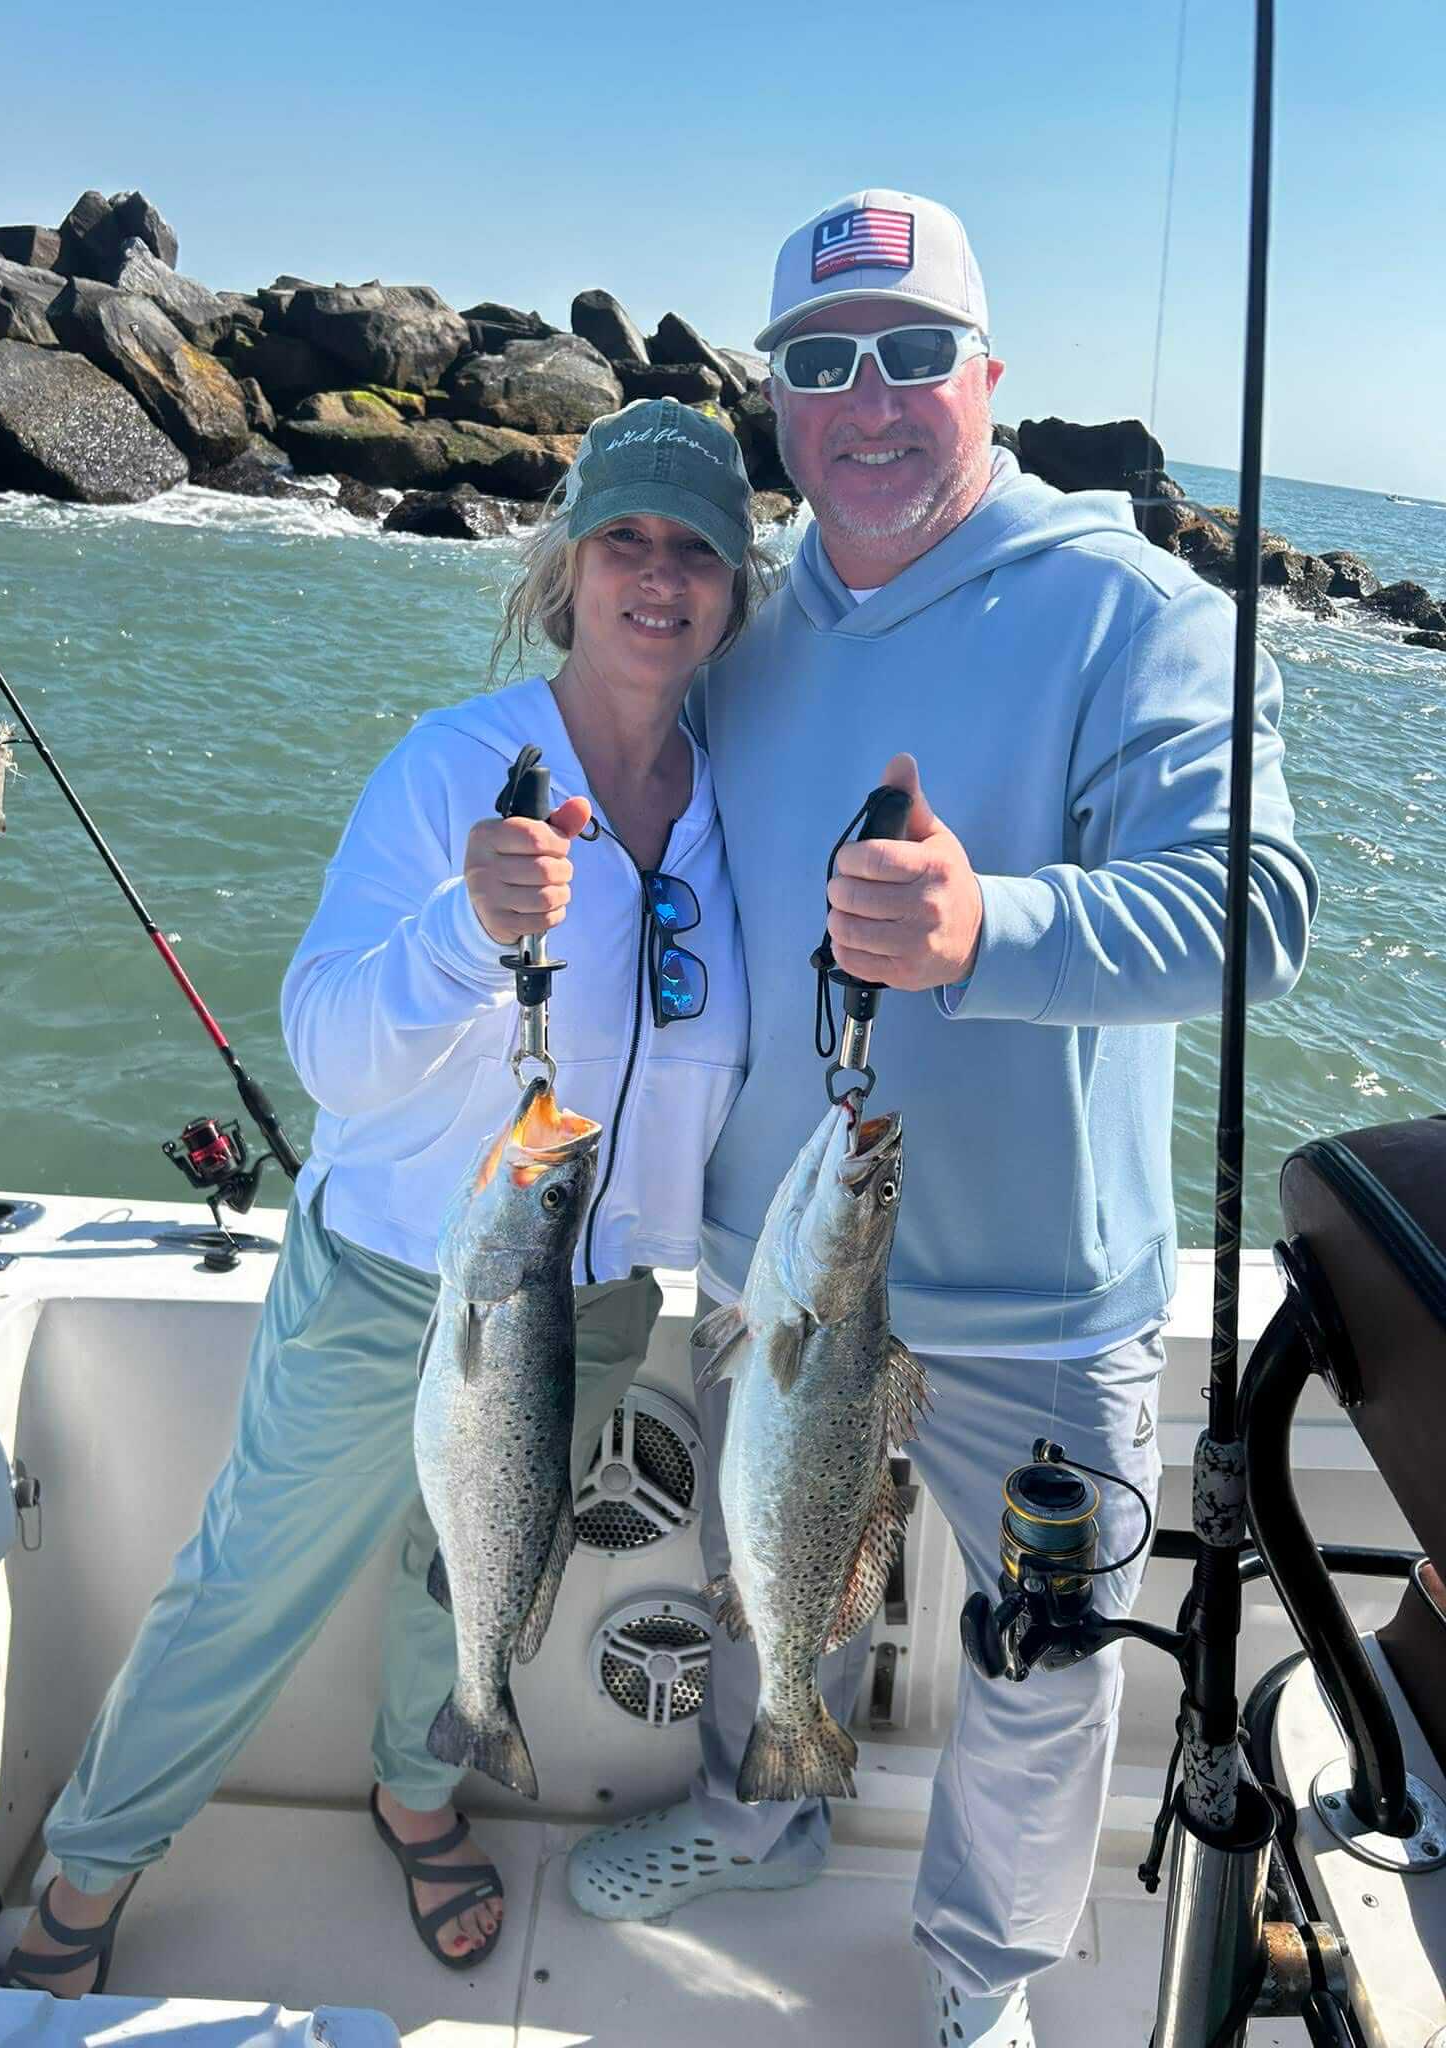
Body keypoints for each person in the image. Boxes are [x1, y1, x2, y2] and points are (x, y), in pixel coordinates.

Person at [568, 192, 1319, 2046]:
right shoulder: (742, 628)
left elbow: (1262, 908)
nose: (870, 399)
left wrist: (995, 926)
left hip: (1040, 1302)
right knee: (774, 1562)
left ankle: (984, 1984)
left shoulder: (1133, 611)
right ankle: (764, 1803)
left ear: (990, 374)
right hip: (779, 1259)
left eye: (914, 352)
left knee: (1040, 1663)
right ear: (778, 400)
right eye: (822, 363)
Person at [3, 397, 771, 1995]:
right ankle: (84, 1880)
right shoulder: (455, 767)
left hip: (599, 1290)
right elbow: (328, 1044)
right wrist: (457, 927)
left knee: (473, 1573)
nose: (657, 573)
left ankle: (415, 1793)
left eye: (695, 548)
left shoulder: (735, 804)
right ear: (566, 564)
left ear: (733, 591)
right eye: (623, 535)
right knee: (251, 1580)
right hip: (397, 1275)